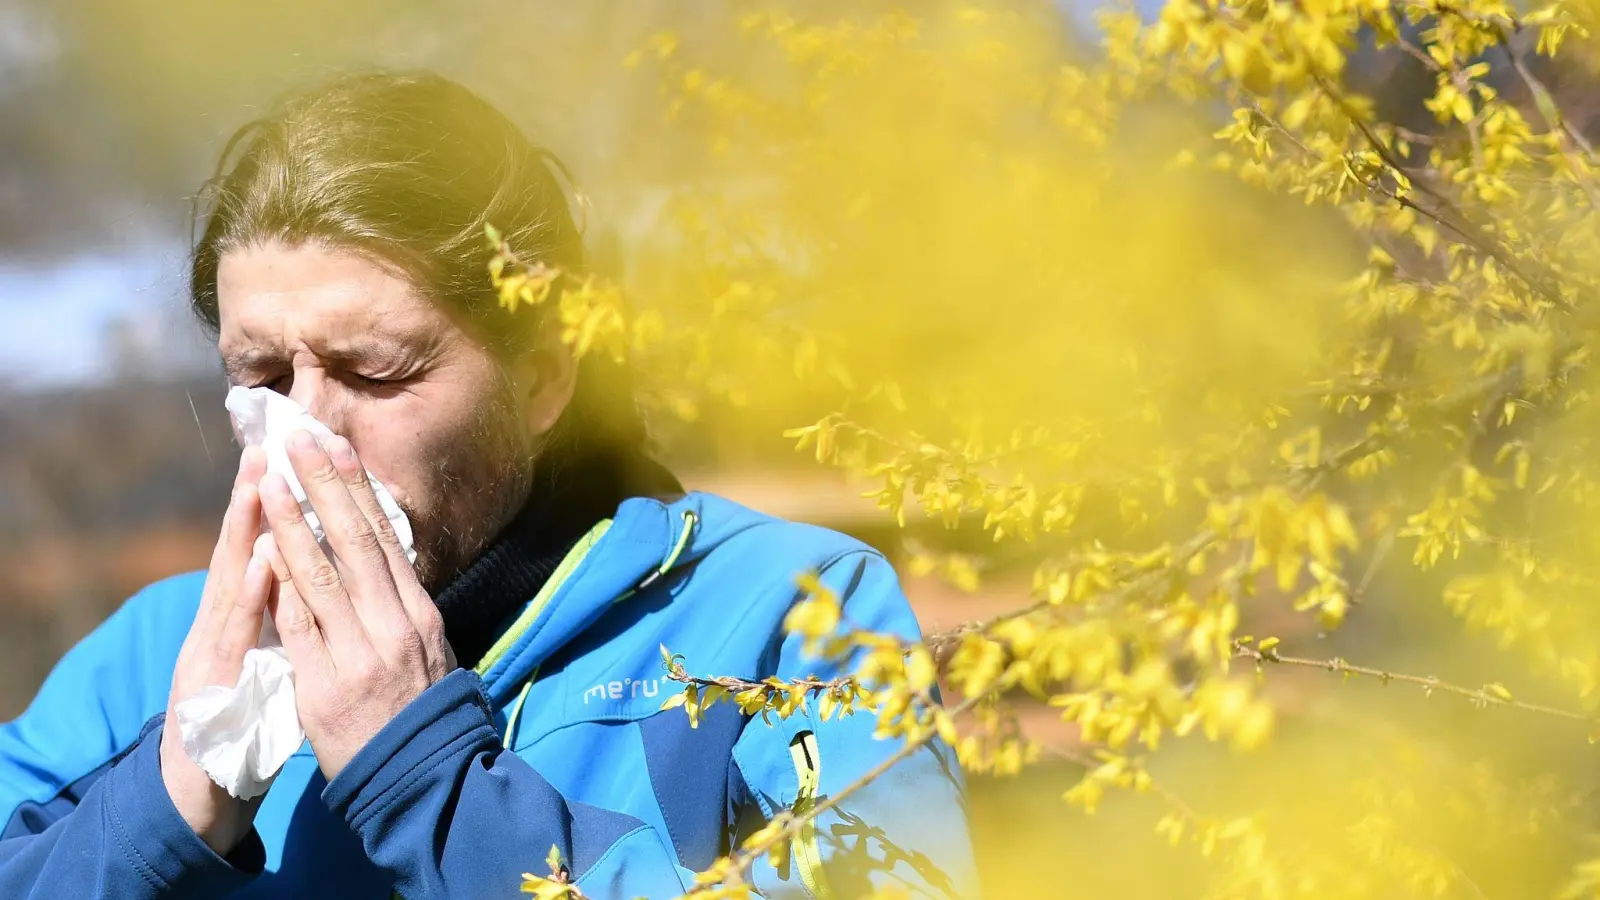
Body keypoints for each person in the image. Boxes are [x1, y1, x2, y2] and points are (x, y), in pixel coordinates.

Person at [0, 70, 976, 899]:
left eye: (375, 371)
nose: (310, 433)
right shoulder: (163, 655)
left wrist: (429, 782)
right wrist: (162, 806)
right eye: (262, 378)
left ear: (542, 379)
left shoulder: (785, 614)